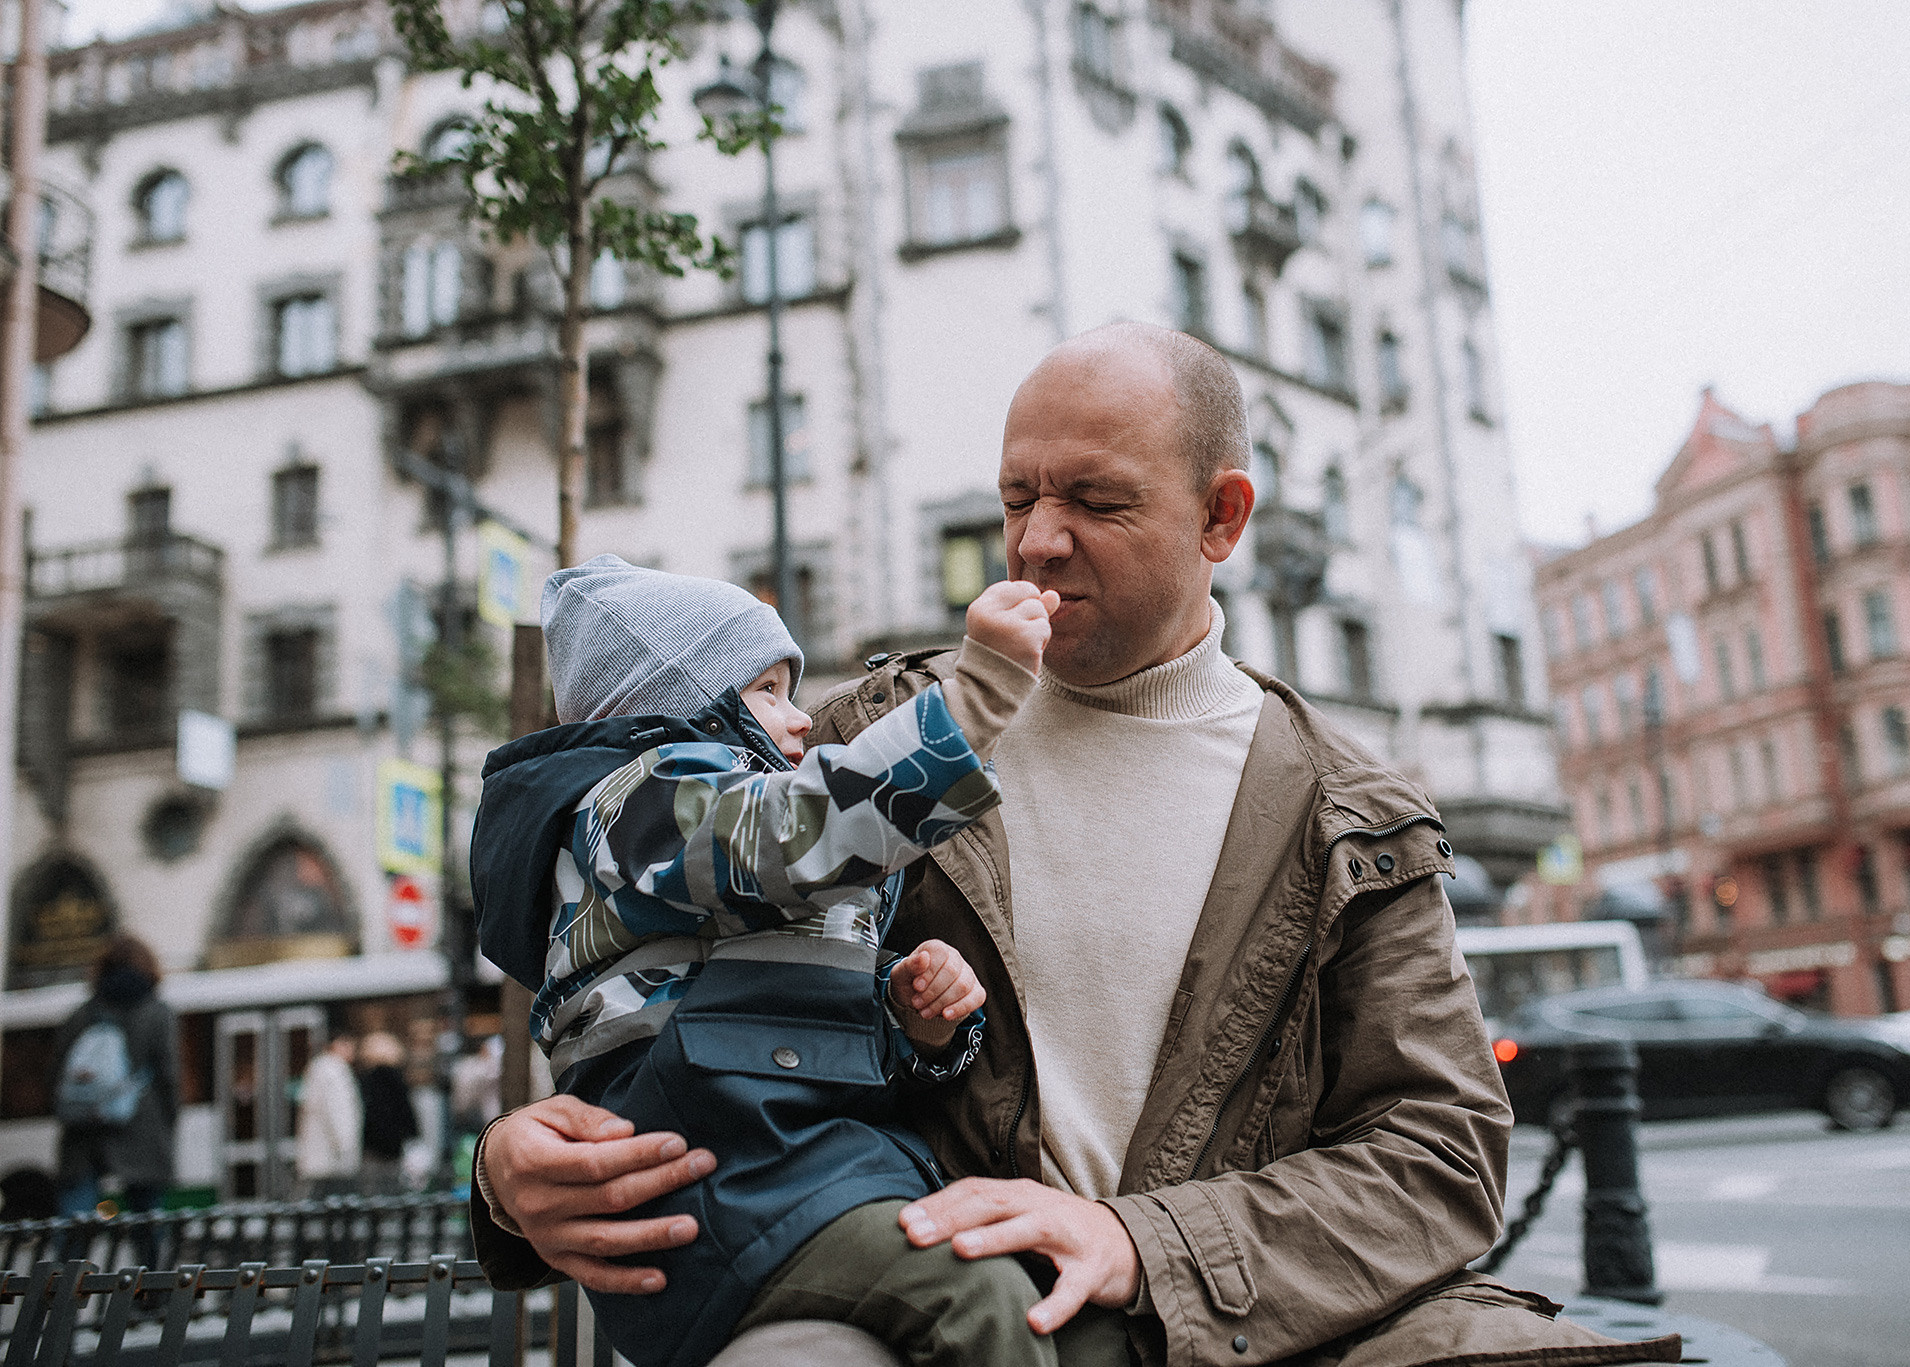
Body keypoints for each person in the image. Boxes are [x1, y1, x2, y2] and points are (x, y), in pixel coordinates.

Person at [470, 324, 1680, 1367]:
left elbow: (1438, 1156)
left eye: (1094, 502)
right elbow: (625, 968)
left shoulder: (1348, 812)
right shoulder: (849, 745)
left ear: (1221, 515)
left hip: (1253, 1329)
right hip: (919, 1305)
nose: (1036, 542)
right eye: (1014, 500)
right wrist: (505, 1176)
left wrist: (1143, 1243)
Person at [466, 557, 1116, 1367]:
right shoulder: (641, 806)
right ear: (675, 711)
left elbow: (765, 995)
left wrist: (908, 1015)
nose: (803, 719)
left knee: (1072, 1316)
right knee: (979, 1297)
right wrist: (970, 701)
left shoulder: (697, 867)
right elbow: (797, 833)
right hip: (727, 1198)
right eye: (768, 691)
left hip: (782, 1182)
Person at [54, 934, 180, 1223]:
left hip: (84, 1131)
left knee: (76, 1222)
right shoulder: (158, 1014)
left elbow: (56, 1078)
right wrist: (167, 1123)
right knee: (147, 1224)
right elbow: (168, 1078)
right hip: (143, 1128)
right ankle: (149, 1269)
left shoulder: (79, 1016)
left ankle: (68, 1269)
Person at [296, 1029, 362, 1199]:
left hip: (323, 1158)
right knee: (334, 1204)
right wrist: (345, 1147)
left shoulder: (319, 1067)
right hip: (332, 1159)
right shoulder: (333, 1070)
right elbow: (338, 1112)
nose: (353, 1051)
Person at [357, 1031, 418, 1196]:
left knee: (372, 1192)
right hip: (394, 1145)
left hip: (371, 1146)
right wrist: (411, 1134)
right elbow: (406, 1112)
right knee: (393, 1190)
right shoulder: (397, 1079)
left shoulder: (366, 1079)